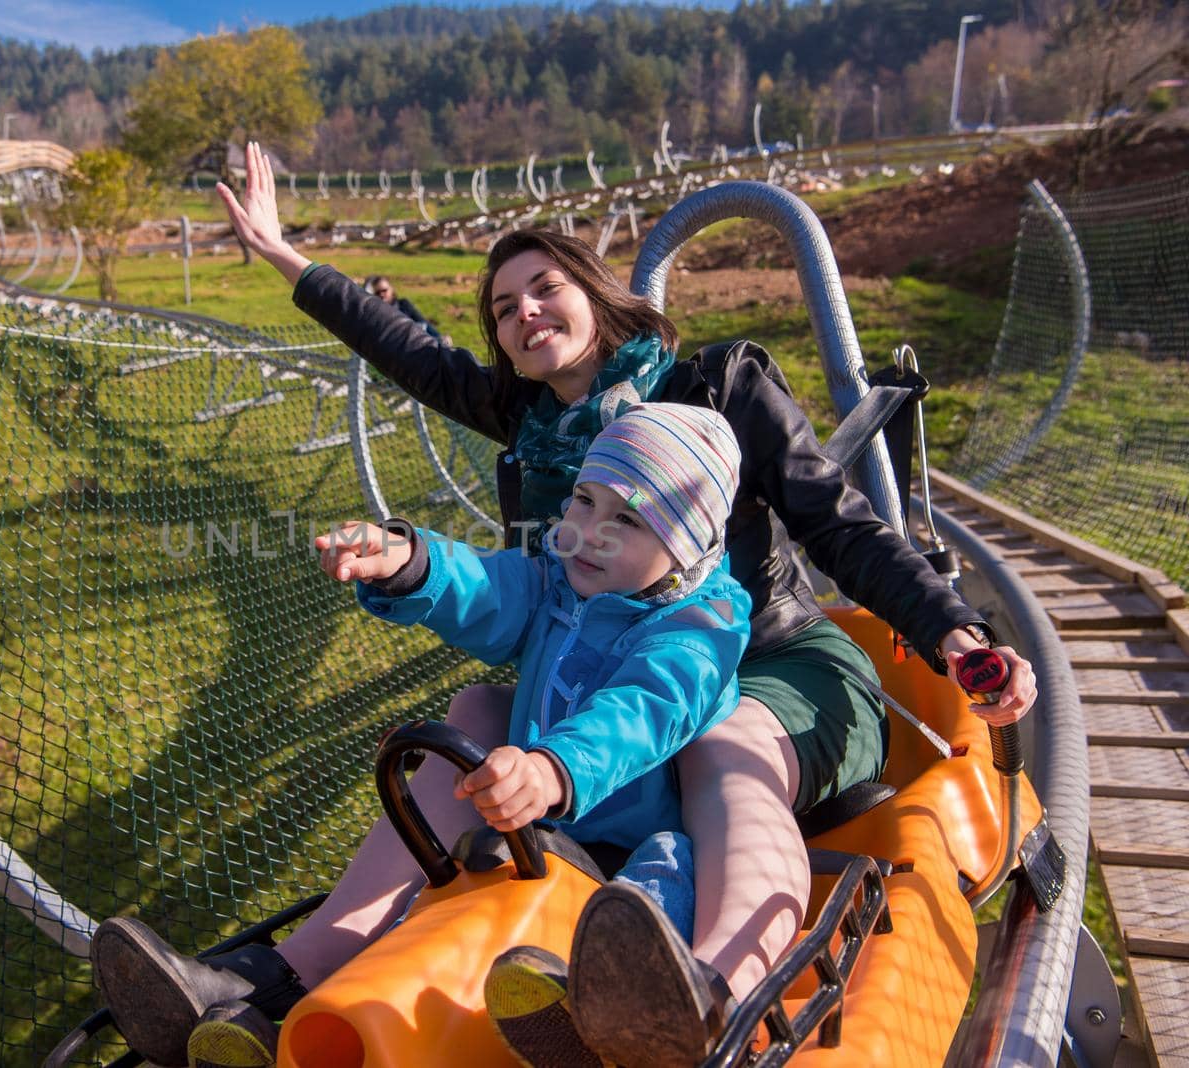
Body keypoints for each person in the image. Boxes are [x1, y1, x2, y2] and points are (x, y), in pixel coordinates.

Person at [90, 141, 1039, 1068]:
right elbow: (412, 359)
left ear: (595, 288)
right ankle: (276, 981)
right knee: (466, 718)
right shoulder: (533, 421)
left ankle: (722, 988)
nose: (525, 313)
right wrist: (288, 259)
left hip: (760, 664)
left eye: (545, 287)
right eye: (503, 308)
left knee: (721, 741)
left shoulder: (715, 390)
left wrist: (952, 630)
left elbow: (840, 526)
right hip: (610, 679)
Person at [92, 404, 754, 1068]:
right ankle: (276, 994)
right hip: (530, 831)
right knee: (437, 887)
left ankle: (612, 1009)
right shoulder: (561, 581)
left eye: (627, 520)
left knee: (671, 864)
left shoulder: (703, 626)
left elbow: (647, 707)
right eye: (583, 500)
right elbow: (491, 588)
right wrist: (411, 562)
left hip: (617, 845)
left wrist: (556, 769)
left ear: (687, 548)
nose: (585, 533)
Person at [365, 273, 442, 340]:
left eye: (384, 290)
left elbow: (423, 323)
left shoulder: (404, 305)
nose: (381, 294)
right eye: (378, 293)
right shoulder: (375, 314)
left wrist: (439, 337)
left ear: (391, 289)